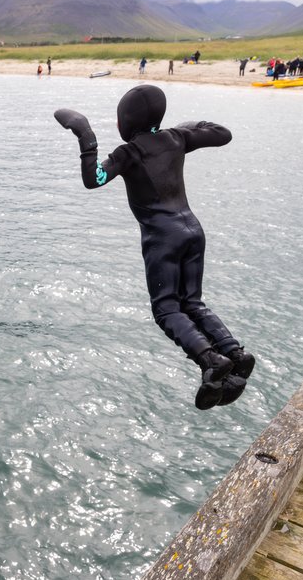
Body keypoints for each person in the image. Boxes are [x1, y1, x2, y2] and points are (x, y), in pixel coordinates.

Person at [53, 85, 255, 409]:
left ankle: (211, 362)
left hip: (163, 238)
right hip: (193, 231)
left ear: (125, 120)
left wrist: (86, 136)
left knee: (167, 310)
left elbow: (94, 178)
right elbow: (222, 134)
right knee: (192, 303)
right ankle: (235, 353)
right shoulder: (177, 138)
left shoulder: (129, 152)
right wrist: (188, 126)